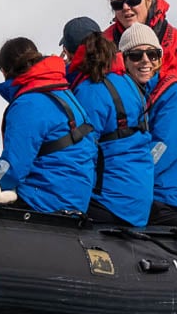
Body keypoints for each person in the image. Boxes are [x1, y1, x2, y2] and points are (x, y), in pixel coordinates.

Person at [0, 37, 96, 213]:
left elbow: (13, 169)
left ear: (4, 71)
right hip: (76, 198)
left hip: (45, 201)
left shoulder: (27, 104)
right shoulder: (64, 93)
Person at [61, 16, 153, 226]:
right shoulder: (127, 81)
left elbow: (82, 152)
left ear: (68, 51)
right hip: (137, 201)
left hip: (110, 201)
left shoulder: (89, 90)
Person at [119, 24, 177, 226]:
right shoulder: (136, 94)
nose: (145, 61)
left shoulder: (175, 94)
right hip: (155, 192)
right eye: (136, 55)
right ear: (123, 60)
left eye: (152, 54)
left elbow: (164, 147)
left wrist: (129, 182)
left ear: (160, 58)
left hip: (174, 198)